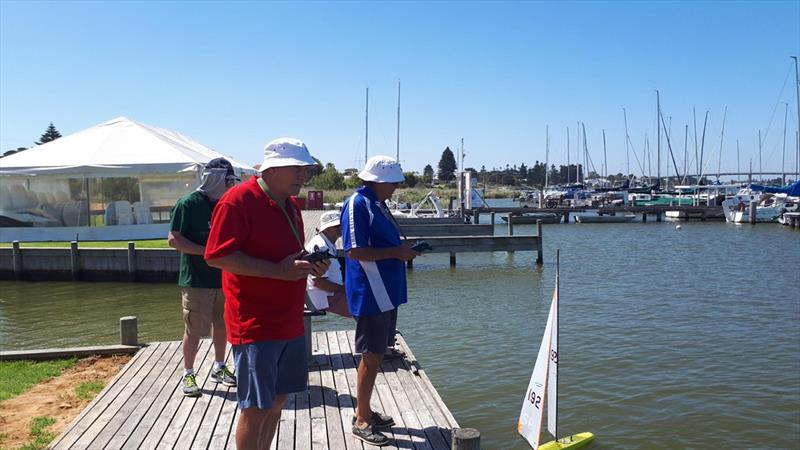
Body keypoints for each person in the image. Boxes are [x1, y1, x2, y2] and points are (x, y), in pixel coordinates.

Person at [204, 138, 329, 450]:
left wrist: (311, 266)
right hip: (255, 324)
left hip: (289, 321)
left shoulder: (290, 204)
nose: (304, 176)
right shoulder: (238, 200)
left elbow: (287, 256)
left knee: (277, 401)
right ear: (273, 169)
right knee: (255, 407)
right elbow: (216, 256)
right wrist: (278, 271)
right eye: (298, 169)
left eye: (307, 170)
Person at [341, 155, 420, 446]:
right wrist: (396, 253)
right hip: (371, 291)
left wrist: (402, 250)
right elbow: (354, 251)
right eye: (394, 181)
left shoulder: (377, 204)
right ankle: (361, 420)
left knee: (378, 352)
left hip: (386, 290)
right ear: (378, 180)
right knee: (371, 355)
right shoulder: (358, 204)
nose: (397, 186)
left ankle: (365, 410)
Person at [168, 157, 239, 397]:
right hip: (196, 281)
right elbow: (173, 239)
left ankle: (219, 367)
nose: (231, 185)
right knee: (194, 329)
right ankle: (188, 373)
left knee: (222, 324)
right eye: (227, 180)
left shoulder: (227, 204)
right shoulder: (187, 204)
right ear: (216, 179)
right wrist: (208, 252)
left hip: (224, 278)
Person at [305, 210, 351, 318]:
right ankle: (375, 333)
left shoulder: (327, 243)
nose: (343, 227)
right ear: (328, 228)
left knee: (366, 305)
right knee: (364, 310)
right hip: (323, 297)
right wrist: (344, 289)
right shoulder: (321, 247)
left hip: (328, 294)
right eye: (338, 225)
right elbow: (319, 283)